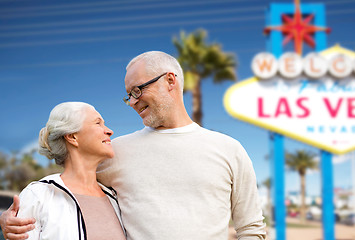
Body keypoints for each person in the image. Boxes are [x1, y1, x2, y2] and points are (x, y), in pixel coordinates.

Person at [1, 51, 266, 239]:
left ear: (170, 81)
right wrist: (10, 221)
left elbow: (251, 229)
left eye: (137, 91)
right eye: (128, 95)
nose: (132, 102)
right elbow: (71, 183)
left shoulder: (229, 150)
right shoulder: (115, 152)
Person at [1, 102, 126, 240]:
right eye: (98, 123)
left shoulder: (115, 198)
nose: (109, 131)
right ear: (72, 137)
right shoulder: (38, 196)